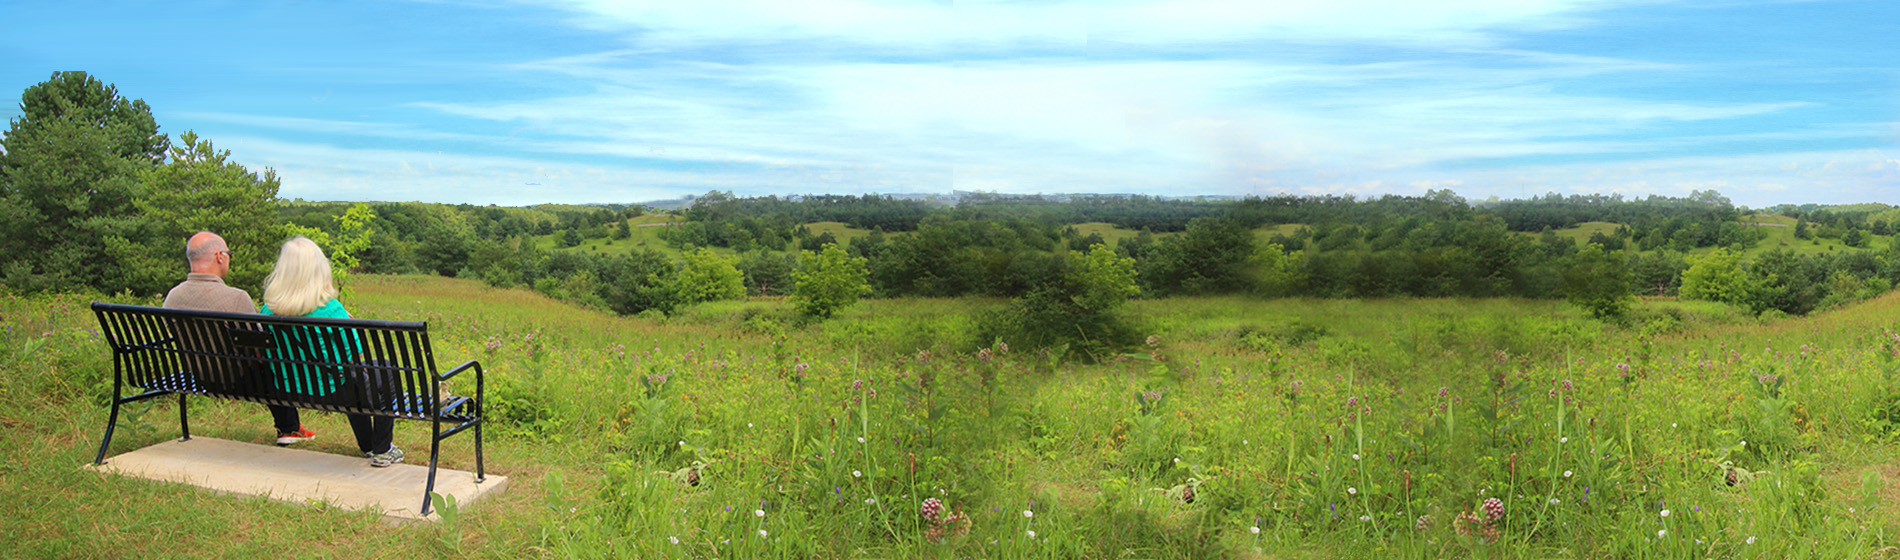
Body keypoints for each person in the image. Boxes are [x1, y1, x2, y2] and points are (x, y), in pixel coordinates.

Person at [162, 231, 316, 447]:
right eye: (229, 253)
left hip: (198, 376)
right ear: (219, 256)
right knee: (272, 365)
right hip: (238, 382)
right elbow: (261, 344)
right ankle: (289, 428)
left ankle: (290, 428)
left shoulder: (173, 297)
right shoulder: (236, 298)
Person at [259, 236, 403, 467]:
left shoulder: (266, 310)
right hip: (334, 391)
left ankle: (368, 447)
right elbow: (354, 355)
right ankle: (382, 449)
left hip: (287, 389)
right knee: (386, 371)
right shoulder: (331, 309)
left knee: (353, 378)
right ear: (319, 271)